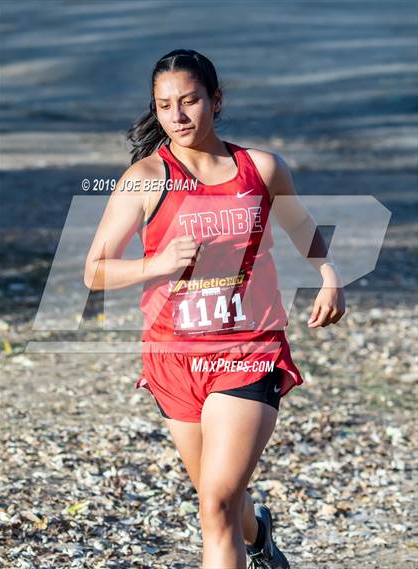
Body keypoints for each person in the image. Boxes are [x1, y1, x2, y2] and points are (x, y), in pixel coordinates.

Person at [84, 49, 345, 569]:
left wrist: (328, 274)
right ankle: (260, 538)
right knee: (218, 494)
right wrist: (154, 265)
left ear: (215, 100)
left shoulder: (261, 168)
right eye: (164, 106)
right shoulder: (144, 178)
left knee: (216, 503)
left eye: (189, 101)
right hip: (174, 356)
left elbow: (300, 226)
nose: (178, 117)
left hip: (247, 348)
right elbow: (95, 270)